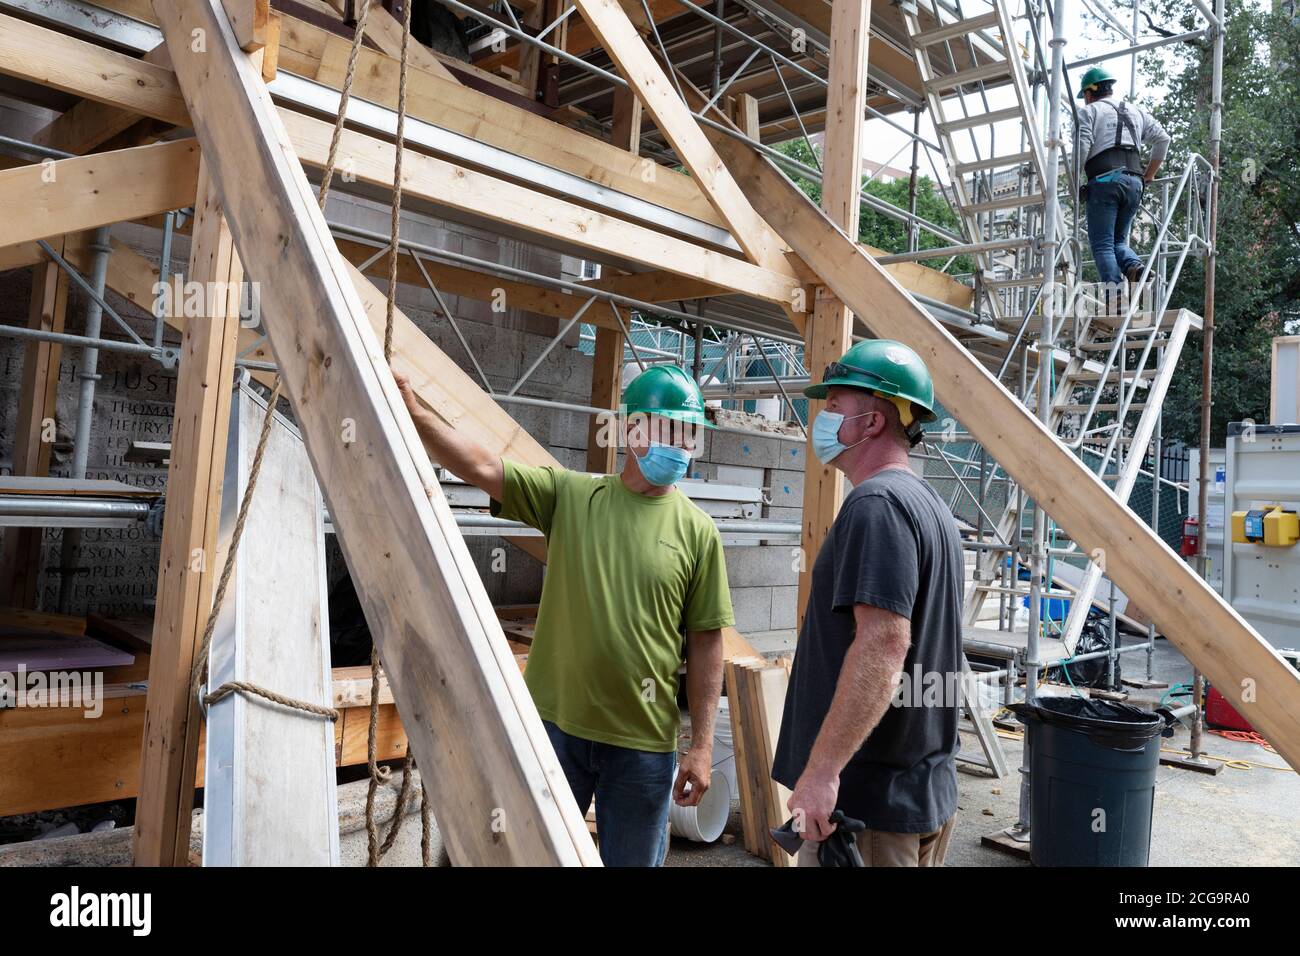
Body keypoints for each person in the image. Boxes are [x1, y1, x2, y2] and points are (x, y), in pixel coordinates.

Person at [393, 362, 734, 866]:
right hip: (555, 733)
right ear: (633, 430)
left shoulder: (699, 532)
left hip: (643, 747)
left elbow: (708, 643)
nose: (682, 445)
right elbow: (484, 467)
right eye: (671, 429)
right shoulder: (573, 498)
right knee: (526, 856)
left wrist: (702, 746)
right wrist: (414, 411)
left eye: (690, 434)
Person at [771, 340, 965, 867]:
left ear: (872, 422)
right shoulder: (931, 509)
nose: (824, 417)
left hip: (868, 811)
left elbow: (884, 643)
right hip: (915, 792)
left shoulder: (875, 505)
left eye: (834, 406)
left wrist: (823, 773)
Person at [1074, 66, 1171, 293]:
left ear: (1089, 94)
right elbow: (1163, 139)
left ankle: (1115, 296)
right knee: (1118, 242)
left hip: (1106, 181)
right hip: (1135, 183)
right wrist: (1149, 174)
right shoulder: (1135, 111)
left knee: (1102, 244)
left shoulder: (1088, 112)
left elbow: (1082, 147)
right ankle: (1134, 267)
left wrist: (1074, 183)